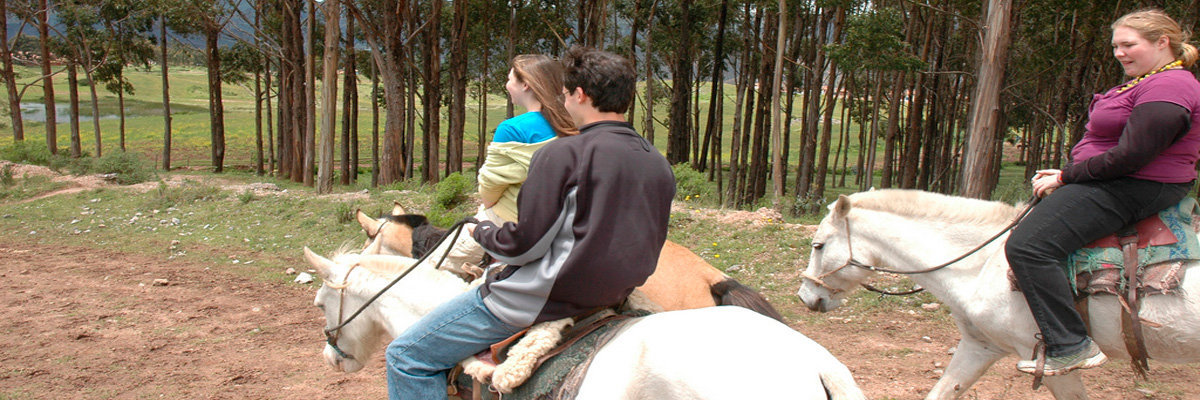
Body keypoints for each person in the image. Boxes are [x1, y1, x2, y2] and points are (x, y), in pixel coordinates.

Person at [384, 47, 676, 400]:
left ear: (580, 95)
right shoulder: (656, 161)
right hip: (614, 294)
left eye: (566, 93)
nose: (564, 100)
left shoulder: (561, 155)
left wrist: (483, 232)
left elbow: (524, 245)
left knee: (406, 355)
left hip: (543, 298)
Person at [1007, 9, 1200, 376]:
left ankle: (1069, 343)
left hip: (1136, 184)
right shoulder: (1146, 80)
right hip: (1119, 180)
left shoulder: (1170, 85)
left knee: (1027, 246)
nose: (1119, 53)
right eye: (1115, 46)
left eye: (1129, 45)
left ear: (1163, 43)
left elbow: (1134, 155)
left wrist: (1068, 177)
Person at [422, 55, 578, 280]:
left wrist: (488, 209)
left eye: (509, 79)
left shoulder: (511, 129)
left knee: (438, 265)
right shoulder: (572, 123)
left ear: (525, 84)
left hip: (511, 219)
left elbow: (490, 186)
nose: (507, 86)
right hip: (562, 223)